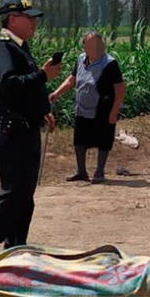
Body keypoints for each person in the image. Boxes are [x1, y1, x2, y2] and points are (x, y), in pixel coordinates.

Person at [0, 0, 60, 260]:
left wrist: (42, 109)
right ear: (12, 20)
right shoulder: (2, 48)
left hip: (25, 127)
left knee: (25, 192)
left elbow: (24, 91)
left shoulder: (20, 48)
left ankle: (16, 244)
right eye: (28, 17)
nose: (34, 22)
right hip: (12, 129)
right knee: (14, 192)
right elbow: (8, 84)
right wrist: (43, 75)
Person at [49, 31, 126, 184]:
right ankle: (81, 171)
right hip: (83, 107)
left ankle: (99, 172)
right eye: (91, 45)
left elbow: (120, 89)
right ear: (84, 47)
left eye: (98, 45)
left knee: (103, 139)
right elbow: (72, 79)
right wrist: (56, 93)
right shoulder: (80, 59)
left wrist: (114, 111)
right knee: (79, 140)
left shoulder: (110, 63)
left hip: (103, 107)